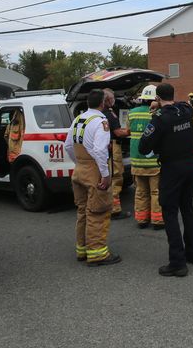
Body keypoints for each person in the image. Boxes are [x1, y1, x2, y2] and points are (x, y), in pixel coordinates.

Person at [139, 83, 193, 277]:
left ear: (157, 98)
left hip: (171, 169)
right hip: (190, 166)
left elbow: (143, 147)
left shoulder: (159, 119)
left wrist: (156, 112)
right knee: (188, 210)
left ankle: (177, 262)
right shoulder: (185, 110)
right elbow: (183, 104)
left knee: (170, 212)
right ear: (173, 95)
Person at [64, 89, 121, 266]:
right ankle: (97, 254)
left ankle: (82, 250)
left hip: (79, 170)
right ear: (102, 103)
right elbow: (99, 150)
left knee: (82, 212)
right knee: (98, 212)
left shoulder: (78, 119)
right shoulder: (101, 121)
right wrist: (105, 175)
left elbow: (67, 146)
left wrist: (79, 163)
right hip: (93, 171)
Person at [129, 85, 164, 230]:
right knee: (156, 192)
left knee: (140, 192)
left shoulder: (131, 113)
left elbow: (127, 131)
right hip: (154, 161)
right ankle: (157, 221)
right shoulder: (160, 113)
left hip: (137, 161)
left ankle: (142, 220)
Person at [102, 89, 131, 220]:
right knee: (116, 176)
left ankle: (107, 206)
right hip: (113, 147)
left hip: (106, 148)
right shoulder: (109, 114)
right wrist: (132, 130)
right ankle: (114, 210)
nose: (114, 100)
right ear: (108, 100)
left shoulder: (100, 113)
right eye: (112, 98)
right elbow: (118, 133)